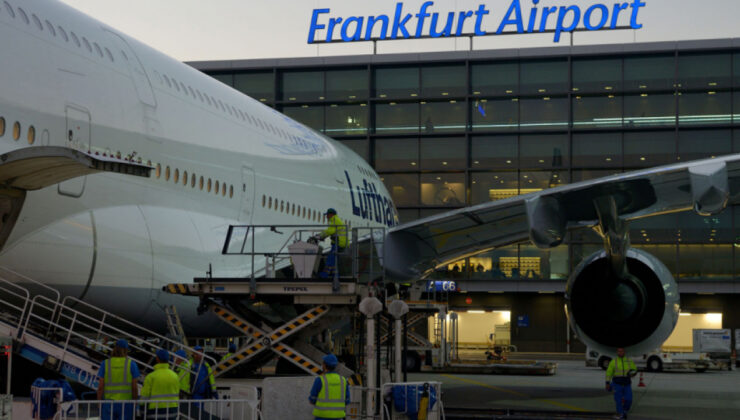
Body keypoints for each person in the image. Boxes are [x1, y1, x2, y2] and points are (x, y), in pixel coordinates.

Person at [96, 339, 140, 420]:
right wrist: (135, 402)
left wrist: (99, 402)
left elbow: (100, 387)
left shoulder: (105, 363)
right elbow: (134, 387)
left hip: (108, 403)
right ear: (126, 350)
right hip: (126, 404)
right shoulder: (131, 364)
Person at [141, 349, 180, 419]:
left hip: (155, 411)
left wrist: (141, 410)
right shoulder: (175, 376)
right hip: (172, 411)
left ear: (157, 359)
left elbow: (144, 397)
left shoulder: (151, 376)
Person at [309, 354, 349, 420]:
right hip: (338, 418)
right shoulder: (343, 380)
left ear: (324, 365)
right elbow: (347, 401)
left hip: (321, 417)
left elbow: (312, 399)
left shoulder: (320, 380)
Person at [605, 347, 637, 419]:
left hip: (627, 384)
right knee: (618, 400)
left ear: (624, 352)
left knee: (629, 399)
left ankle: (625, 410)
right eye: (619, 351)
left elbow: (634, 369)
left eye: (621, 351)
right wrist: (607, 383)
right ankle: (620, 414)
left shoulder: (629, 361)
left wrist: (634, 373)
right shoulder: (614, 361)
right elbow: (609, 373)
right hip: (617, 384)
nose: (620, 353)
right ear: (617, 352)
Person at [318, 208, 347, 279]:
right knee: (334, 260)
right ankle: (335, 275)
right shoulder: (337, 220)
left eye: (327, 215)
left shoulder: (334, 220)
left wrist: (319, 236)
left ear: (331, 214)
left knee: (330, 258)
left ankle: (324, 274)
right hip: (341, 242)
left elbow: (330, 231)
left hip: (338, 242)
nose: (326, 217)